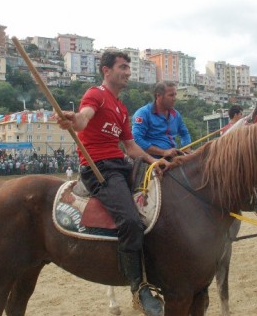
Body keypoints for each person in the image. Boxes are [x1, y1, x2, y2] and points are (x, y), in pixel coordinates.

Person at [57, 51, 169, 316]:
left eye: (129, 67)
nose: (128, 72)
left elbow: (130, 147)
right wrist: (72, 119)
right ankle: (138, 289)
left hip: (121, 164)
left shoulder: (121, 107)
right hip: (99, 168)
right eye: (123, 67)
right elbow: (83, 119)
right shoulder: (95, 94)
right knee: (130, 221)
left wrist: (154, 160)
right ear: (106, 71)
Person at [132, 81, 191, 159]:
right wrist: (163, 152)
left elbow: (184, 134)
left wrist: (187, 150)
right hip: (150, 160)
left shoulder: (176, 114)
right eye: (171, 95)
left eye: (175, 95)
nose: (174, 99)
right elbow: (136, 139)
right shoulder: (143, 113)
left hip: (173, 158)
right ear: (158, 96)